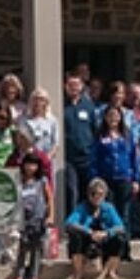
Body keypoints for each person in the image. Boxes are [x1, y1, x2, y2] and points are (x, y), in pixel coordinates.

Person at [89, 105, 137, 258]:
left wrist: (136, 178)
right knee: (108, 215)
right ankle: (109, 250)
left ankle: (124, 250)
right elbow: (93, 158)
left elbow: (135, 158)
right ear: (105, 118)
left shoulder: (127, 135)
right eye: (110, 115)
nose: (113, 119)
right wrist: (95, 178)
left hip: (124, 179)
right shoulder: (99, 136)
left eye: (116, 115)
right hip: (105, 181)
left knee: (124, 215)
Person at [65, 178, 127, 279]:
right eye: (94, 193)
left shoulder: (109, 208)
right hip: (87, 239)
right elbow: (69, 223)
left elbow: (120, 226)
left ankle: (110, 272)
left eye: (100, 194)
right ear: (89, 194)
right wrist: (89, 232)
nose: (97, 197)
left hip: (104, 238)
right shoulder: (82, 207)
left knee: (120, 239)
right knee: (75, 237)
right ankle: (78, 273)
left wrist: (107, 233)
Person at [13, 153, 51, 279]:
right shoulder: (18, 180)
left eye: (34, 165)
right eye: (28, 164)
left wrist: (50, 216)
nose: (30, 168)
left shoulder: (42, 181)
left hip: (38, 219)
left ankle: (34, 276)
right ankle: (19, 276)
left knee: (36, 249)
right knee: (22, 248)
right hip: (23, 219)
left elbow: (49, 198)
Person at [61, 73, 96, 214]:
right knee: (72, 190)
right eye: (70, 85)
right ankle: (72, 225)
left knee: (88, 191)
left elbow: (95, 129)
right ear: (65, 87)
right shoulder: (62, 105)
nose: (73, 88)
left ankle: (87, 222)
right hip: (70, 158)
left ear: (82, 87)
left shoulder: (88, 106)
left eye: (76, 85)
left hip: (87, 157)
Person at [22, 89, 59, 160]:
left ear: (46, 102)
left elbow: (55, 144)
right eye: (35, 99)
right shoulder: (24, 120)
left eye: (41, 99)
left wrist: (47, 158)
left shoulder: (52, 120)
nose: (38, 102)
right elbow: (22, 142)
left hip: (47, 159)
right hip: (30, 160)